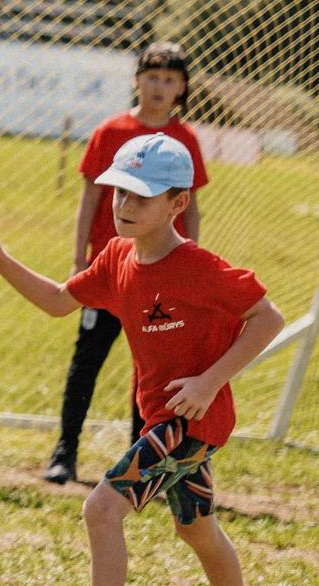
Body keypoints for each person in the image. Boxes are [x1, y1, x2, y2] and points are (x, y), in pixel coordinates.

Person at [0, 132, 282, 586]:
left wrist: (209, 382)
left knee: (102, 509)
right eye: (119, 192)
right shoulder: (116, 256)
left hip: (188, 420)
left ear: (178, 203)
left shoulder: (198, 267)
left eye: (141, 196)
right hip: (167, 419)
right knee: (196, 529)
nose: (125, 205)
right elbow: (58, 301)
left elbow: (268, 318)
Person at [44, 43, 208, 484]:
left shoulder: (186, 141)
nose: (159, 87)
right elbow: (89, 199)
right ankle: (65, 452)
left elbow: (191, 208)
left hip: (158, 276)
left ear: (182, 88)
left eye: (169, 79)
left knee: (152, 372)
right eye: (152, 77)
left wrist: (188, 265)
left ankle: (143, 461)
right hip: (109, 272)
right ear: (137, 80)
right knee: (87, 361)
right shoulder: (111, 131)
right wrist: (79, 259)